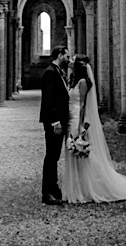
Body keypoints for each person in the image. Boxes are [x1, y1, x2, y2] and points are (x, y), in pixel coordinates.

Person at [61, 55, 126, 203]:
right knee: (72, 152)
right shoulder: (73, 81)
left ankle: (85, 189)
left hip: (76, 120)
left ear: (78, 65)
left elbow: (83, 105)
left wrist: (80, 126)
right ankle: (77, 188)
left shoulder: (83, 82)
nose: (70, 61)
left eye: (73, 59)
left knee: (79, 153)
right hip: (70, 119)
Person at [39, 44, 70, 205]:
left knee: (54, 155)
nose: (68, 58)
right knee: (51, 156)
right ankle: (47, 193)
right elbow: (49, 100)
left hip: (58, 121)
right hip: (54, 122)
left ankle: (54, 187)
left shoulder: (57, 72)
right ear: (59, 55)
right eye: (66, 55)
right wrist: (55, 121)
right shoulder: (50, 73)